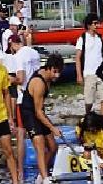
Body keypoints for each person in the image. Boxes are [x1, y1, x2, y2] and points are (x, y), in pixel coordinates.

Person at [21, 54, 64, 184]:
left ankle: (40, 176)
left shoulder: (48, 80)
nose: (57, 75)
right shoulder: (39, 83)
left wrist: (49, 126)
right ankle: (45, 178)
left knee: (52, 146)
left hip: (39, 111)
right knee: (40, 145)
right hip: (29, 114)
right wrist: (52, 127)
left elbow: (40, 109)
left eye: (59, 72)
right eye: (55, 72)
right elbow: (37, 112)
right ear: (49, 68)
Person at [8, 33, 41, 178]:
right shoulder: (34, 53)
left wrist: (9, 79)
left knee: (21, 134)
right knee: (37, 135)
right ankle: (42, 170)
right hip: (37, 97)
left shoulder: (18, 56)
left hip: (23, 100)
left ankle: (20, 171)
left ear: (12, 45)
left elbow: (20, 79)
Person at [0, 48, 19, 184]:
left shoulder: (1, 69)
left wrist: (10, 117)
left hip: (0, 116)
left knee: (8, 150)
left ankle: (15, 181)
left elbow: (6, 93)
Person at [75, 13, 103, 115]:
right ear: (89, 25)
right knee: (89, 101)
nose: (96, 25)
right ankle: (87, 115)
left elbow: (102, 54)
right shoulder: (82, 39)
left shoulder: (100, 38)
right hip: (89, 73)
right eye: (94, 23)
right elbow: (78, 58)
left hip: (101, 73)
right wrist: (79, 75)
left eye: (97, 23)